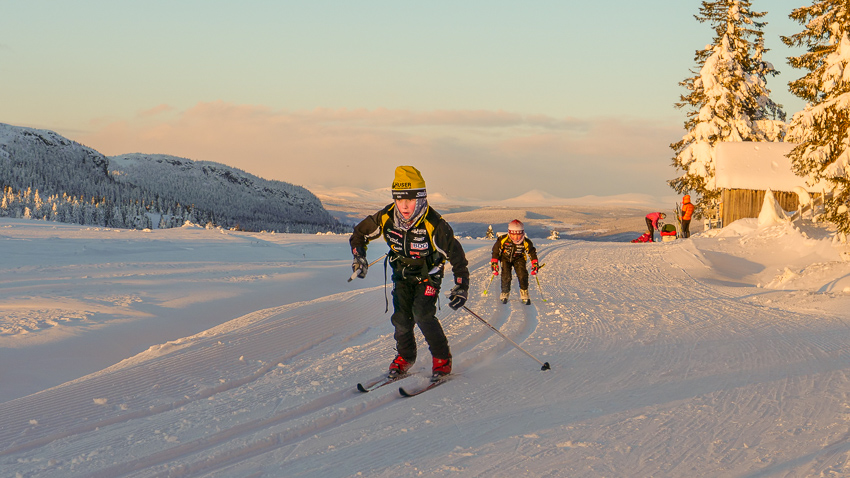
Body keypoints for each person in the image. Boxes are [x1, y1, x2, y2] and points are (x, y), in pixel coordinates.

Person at [350, 166, 469, 380]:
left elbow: (456, 255)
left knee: (422, 314)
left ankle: (442, 358)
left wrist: (461, 285)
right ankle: (406, 356)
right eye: (399, 199)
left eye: (411, 199)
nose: (404, 206)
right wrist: (359, 256)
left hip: (428, 274)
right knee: (401, 320)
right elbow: (359, 233)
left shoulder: (435, 223)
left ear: (421, 198)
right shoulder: (386, 216)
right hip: (401, 273)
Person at [491, 219, 538, 305]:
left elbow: (532, 252)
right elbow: (496, 251)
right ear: (509, 233)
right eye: (513, 235)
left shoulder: (526, 242)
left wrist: (534, 263)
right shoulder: (502, 239)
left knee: (522, 275)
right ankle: (505, 292)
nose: (516, 238)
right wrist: (494, 263)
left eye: (519, 235)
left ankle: (524, 292)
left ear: (522, 233)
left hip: (519, 259)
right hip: (505, 258)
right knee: (506, 275)